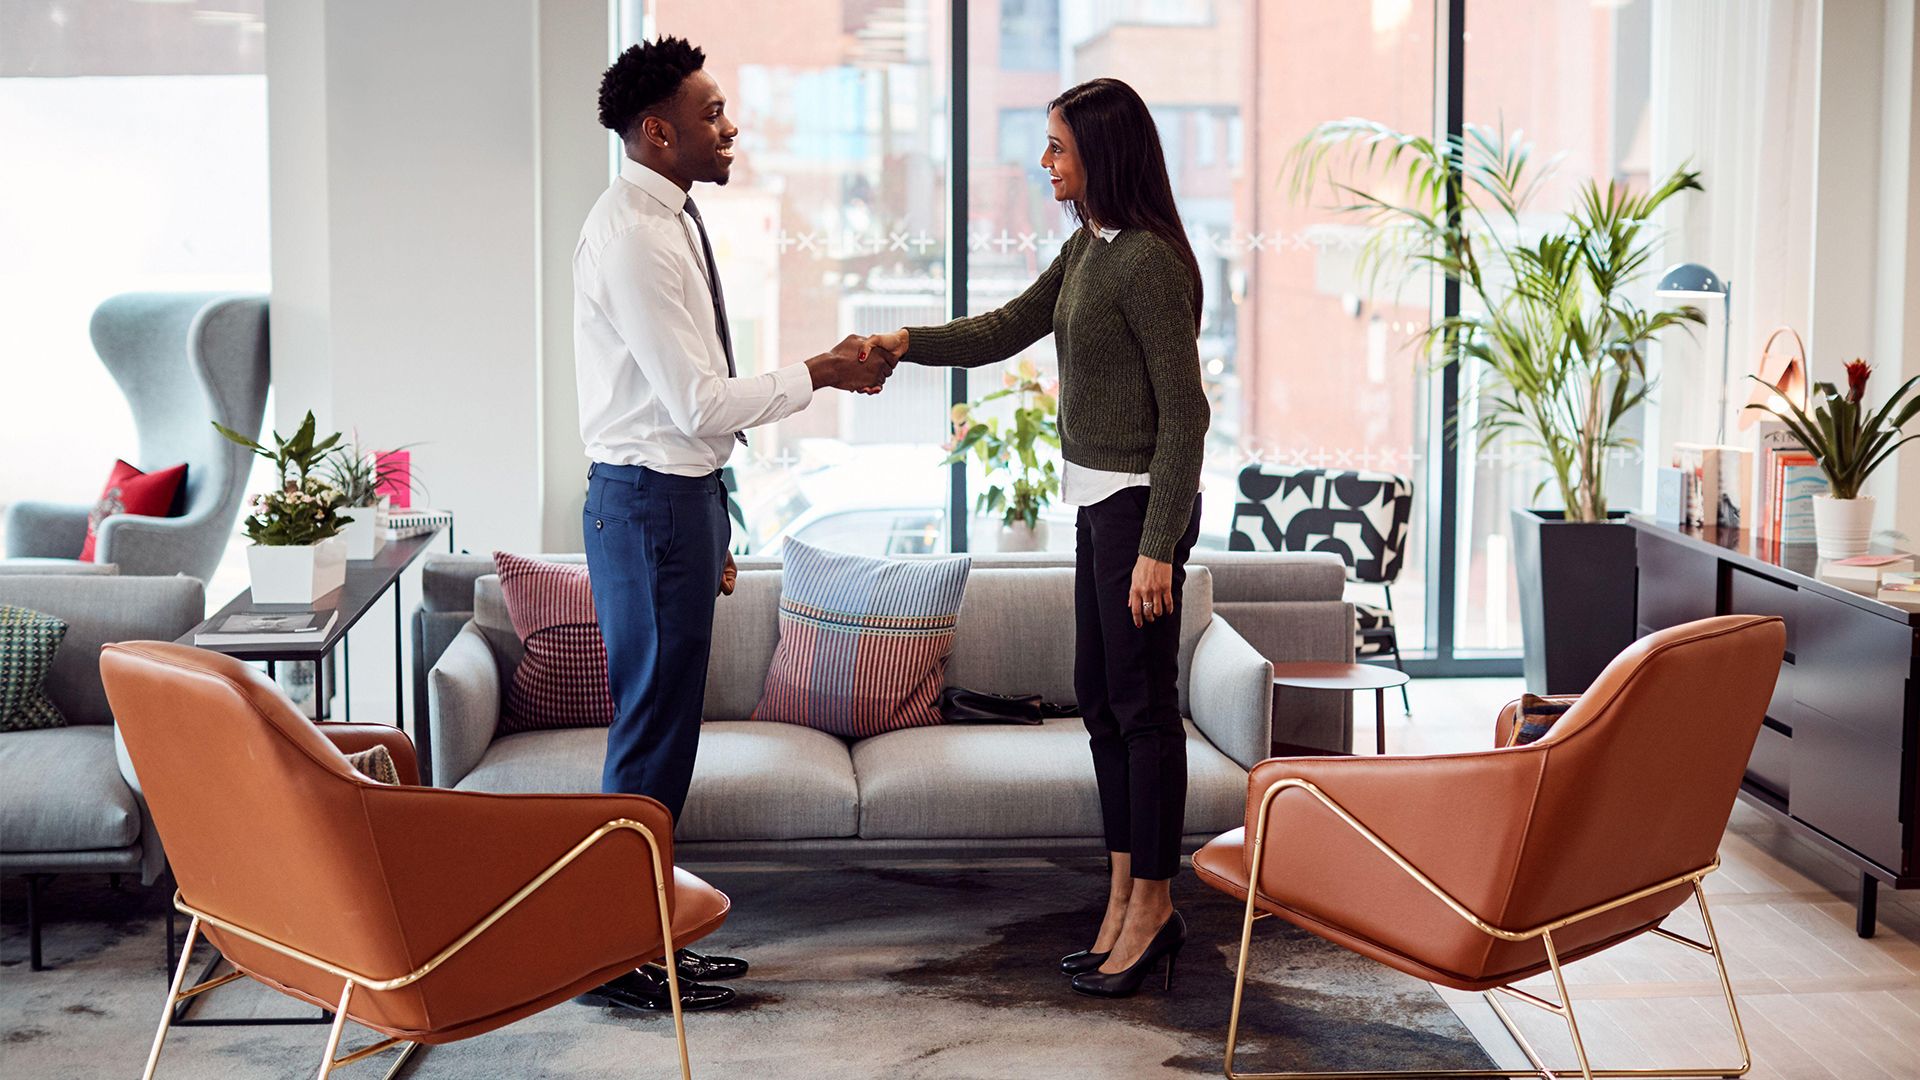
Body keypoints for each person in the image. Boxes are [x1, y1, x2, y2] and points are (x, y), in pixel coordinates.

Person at [574, 35, 896, 1015]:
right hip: (648, 507)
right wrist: (824, 372)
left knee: (664, 742)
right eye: (712, 113)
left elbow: (691, 422)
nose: (731, 127)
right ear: (656, 130)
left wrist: (711, 522)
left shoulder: (667, 218)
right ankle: (614, 957)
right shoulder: (633, 233)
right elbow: (697, 404)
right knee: (650, 738)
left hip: (675, 509)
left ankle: (643, 942)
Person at [867, 77, 1208, 1000]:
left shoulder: (1145, 262)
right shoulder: (1088, 249)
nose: (1045, 161)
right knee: (1100, 704)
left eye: (1057, 146)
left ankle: (1155, 907)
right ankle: (1119, 896)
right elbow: (1006, 328)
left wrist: (1156, 546)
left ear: (1103, 153)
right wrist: (906, 342)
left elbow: (1186, 418)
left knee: (1142, 713)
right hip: (1101, 511)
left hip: (1142, 512)